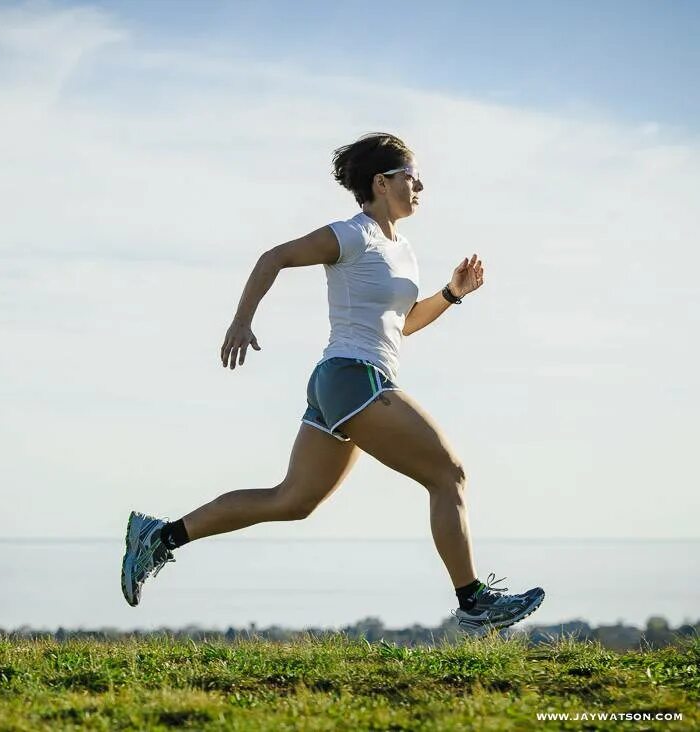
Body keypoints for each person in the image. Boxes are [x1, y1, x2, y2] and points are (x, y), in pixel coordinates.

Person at [120, 132, 544, 634]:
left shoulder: (401, 249)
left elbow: (403, 324)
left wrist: (452, 293)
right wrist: (241, 321)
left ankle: (160, 537)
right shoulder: (352, 234)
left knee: (292, 500)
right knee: (447, 474)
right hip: (352, 377)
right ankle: (474, 602)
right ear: (381, 183)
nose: (420, 186)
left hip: (349, 382)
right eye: (411, 177)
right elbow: (272, 256)